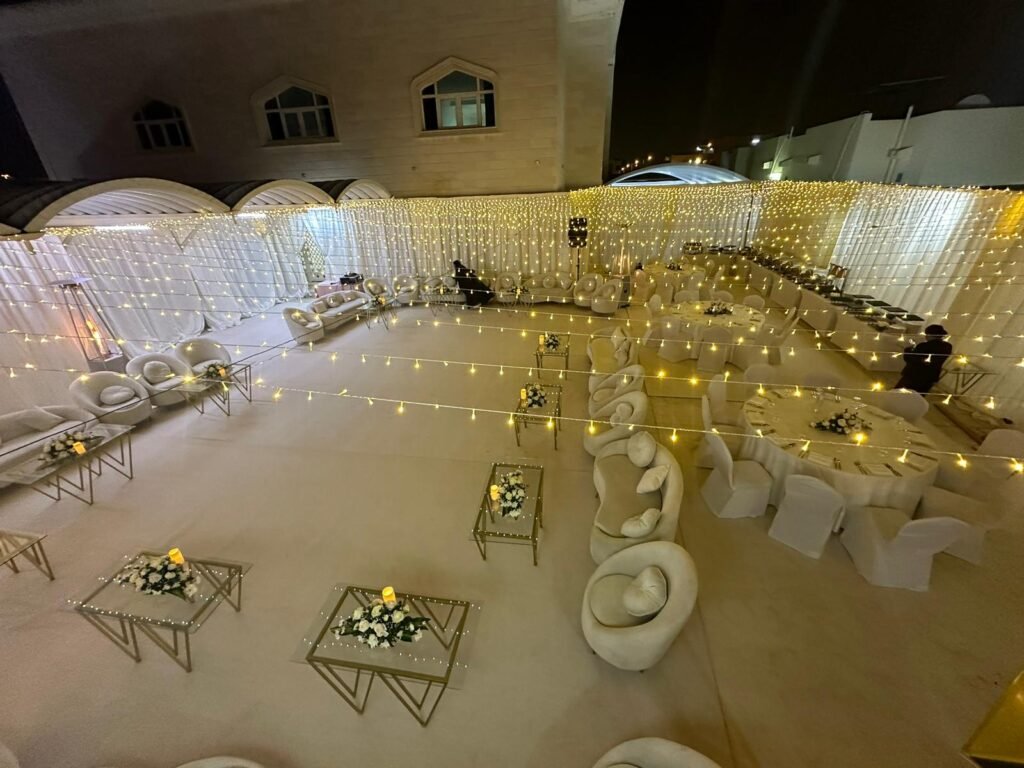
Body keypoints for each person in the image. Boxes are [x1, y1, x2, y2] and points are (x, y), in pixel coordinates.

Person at [894, 324, 952, 393]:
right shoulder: (948, 346)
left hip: (914, 376)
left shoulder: (923, 346)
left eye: (926, 334)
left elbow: (910, 359)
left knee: (899, 394)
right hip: (930, 377)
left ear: (929, 334)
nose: (925, 336)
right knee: (918, 396)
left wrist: (908, 350)